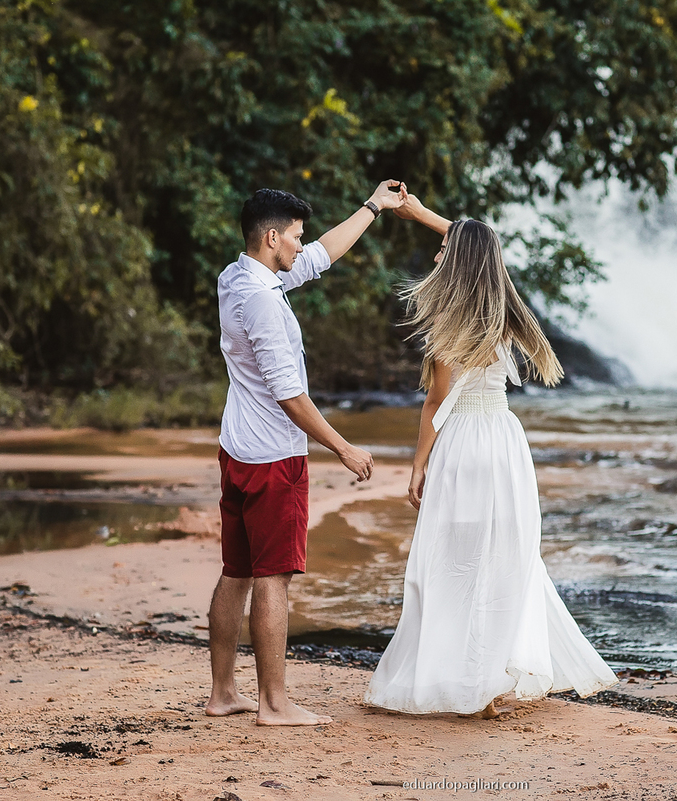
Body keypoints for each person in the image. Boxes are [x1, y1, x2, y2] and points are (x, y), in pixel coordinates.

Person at [364, 209, 618, 717]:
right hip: (503, 446)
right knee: (505, 559)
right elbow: (484, 244)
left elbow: (435, 404)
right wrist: (423, 216)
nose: (437, 255)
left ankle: (456, 673)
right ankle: (492, 674)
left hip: (461, 447)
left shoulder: (444, 325)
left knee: (450, 561)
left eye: (444, 252)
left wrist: (418, 465)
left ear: (456, 262)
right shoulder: (505, 315)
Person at [206, 182, 407, 726]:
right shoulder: (266, 301)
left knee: (237, 572)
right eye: (293, 237)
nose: (301, 244)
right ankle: (274, 703)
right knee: (273, 578)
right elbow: (290, 394)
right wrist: (344, 447)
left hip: (237, 449)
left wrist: (372, 207)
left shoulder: (238, 275)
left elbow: (320, 257)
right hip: (273, 458)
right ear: (272, 237)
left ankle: (223, 692)